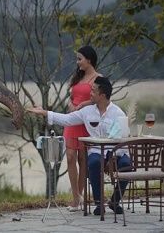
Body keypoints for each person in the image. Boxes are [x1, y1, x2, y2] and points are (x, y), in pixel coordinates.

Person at [27, 76, 131, 215]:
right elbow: (67, 119)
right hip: (96, 151)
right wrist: (44, 113)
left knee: (126, 164)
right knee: (93, 162)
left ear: (102, 95)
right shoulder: (87, 112)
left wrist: (116, 155)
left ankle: (115, 201)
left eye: (93, 91)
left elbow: (124, 137)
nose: (90, 94)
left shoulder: (118, 113)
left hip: (116, 152)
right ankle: (99, 203)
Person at [63, 45, 101, 211]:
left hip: (86, 122)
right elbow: (71, 96)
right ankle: (75, 198)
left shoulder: (99, 79)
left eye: (80, 59)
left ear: (89, 59)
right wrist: (71, 104)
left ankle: (80, 196)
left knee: (82, 159)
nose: (77, 62)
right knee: (70, 156)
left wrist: (83, 104)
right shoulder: (77, 77)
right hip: (72, 121)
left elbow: (100, 100)